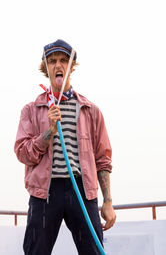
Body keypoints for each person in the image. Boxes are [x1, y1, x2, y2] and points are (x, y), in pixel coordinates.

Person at [14, 39, 116, 255]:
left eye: (63, 61)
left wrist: (107, 201)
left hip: (82, 189)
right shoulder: (31, 110)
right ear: (46, 68)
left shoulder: (90, 110)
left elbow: (103, 159)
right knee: (36, 251)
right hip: (45, 192)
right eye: (52, 61)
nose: (58, 65)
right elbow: (23, 153)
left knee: (93, 250)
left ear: (71, 67)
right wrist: (49, 131)